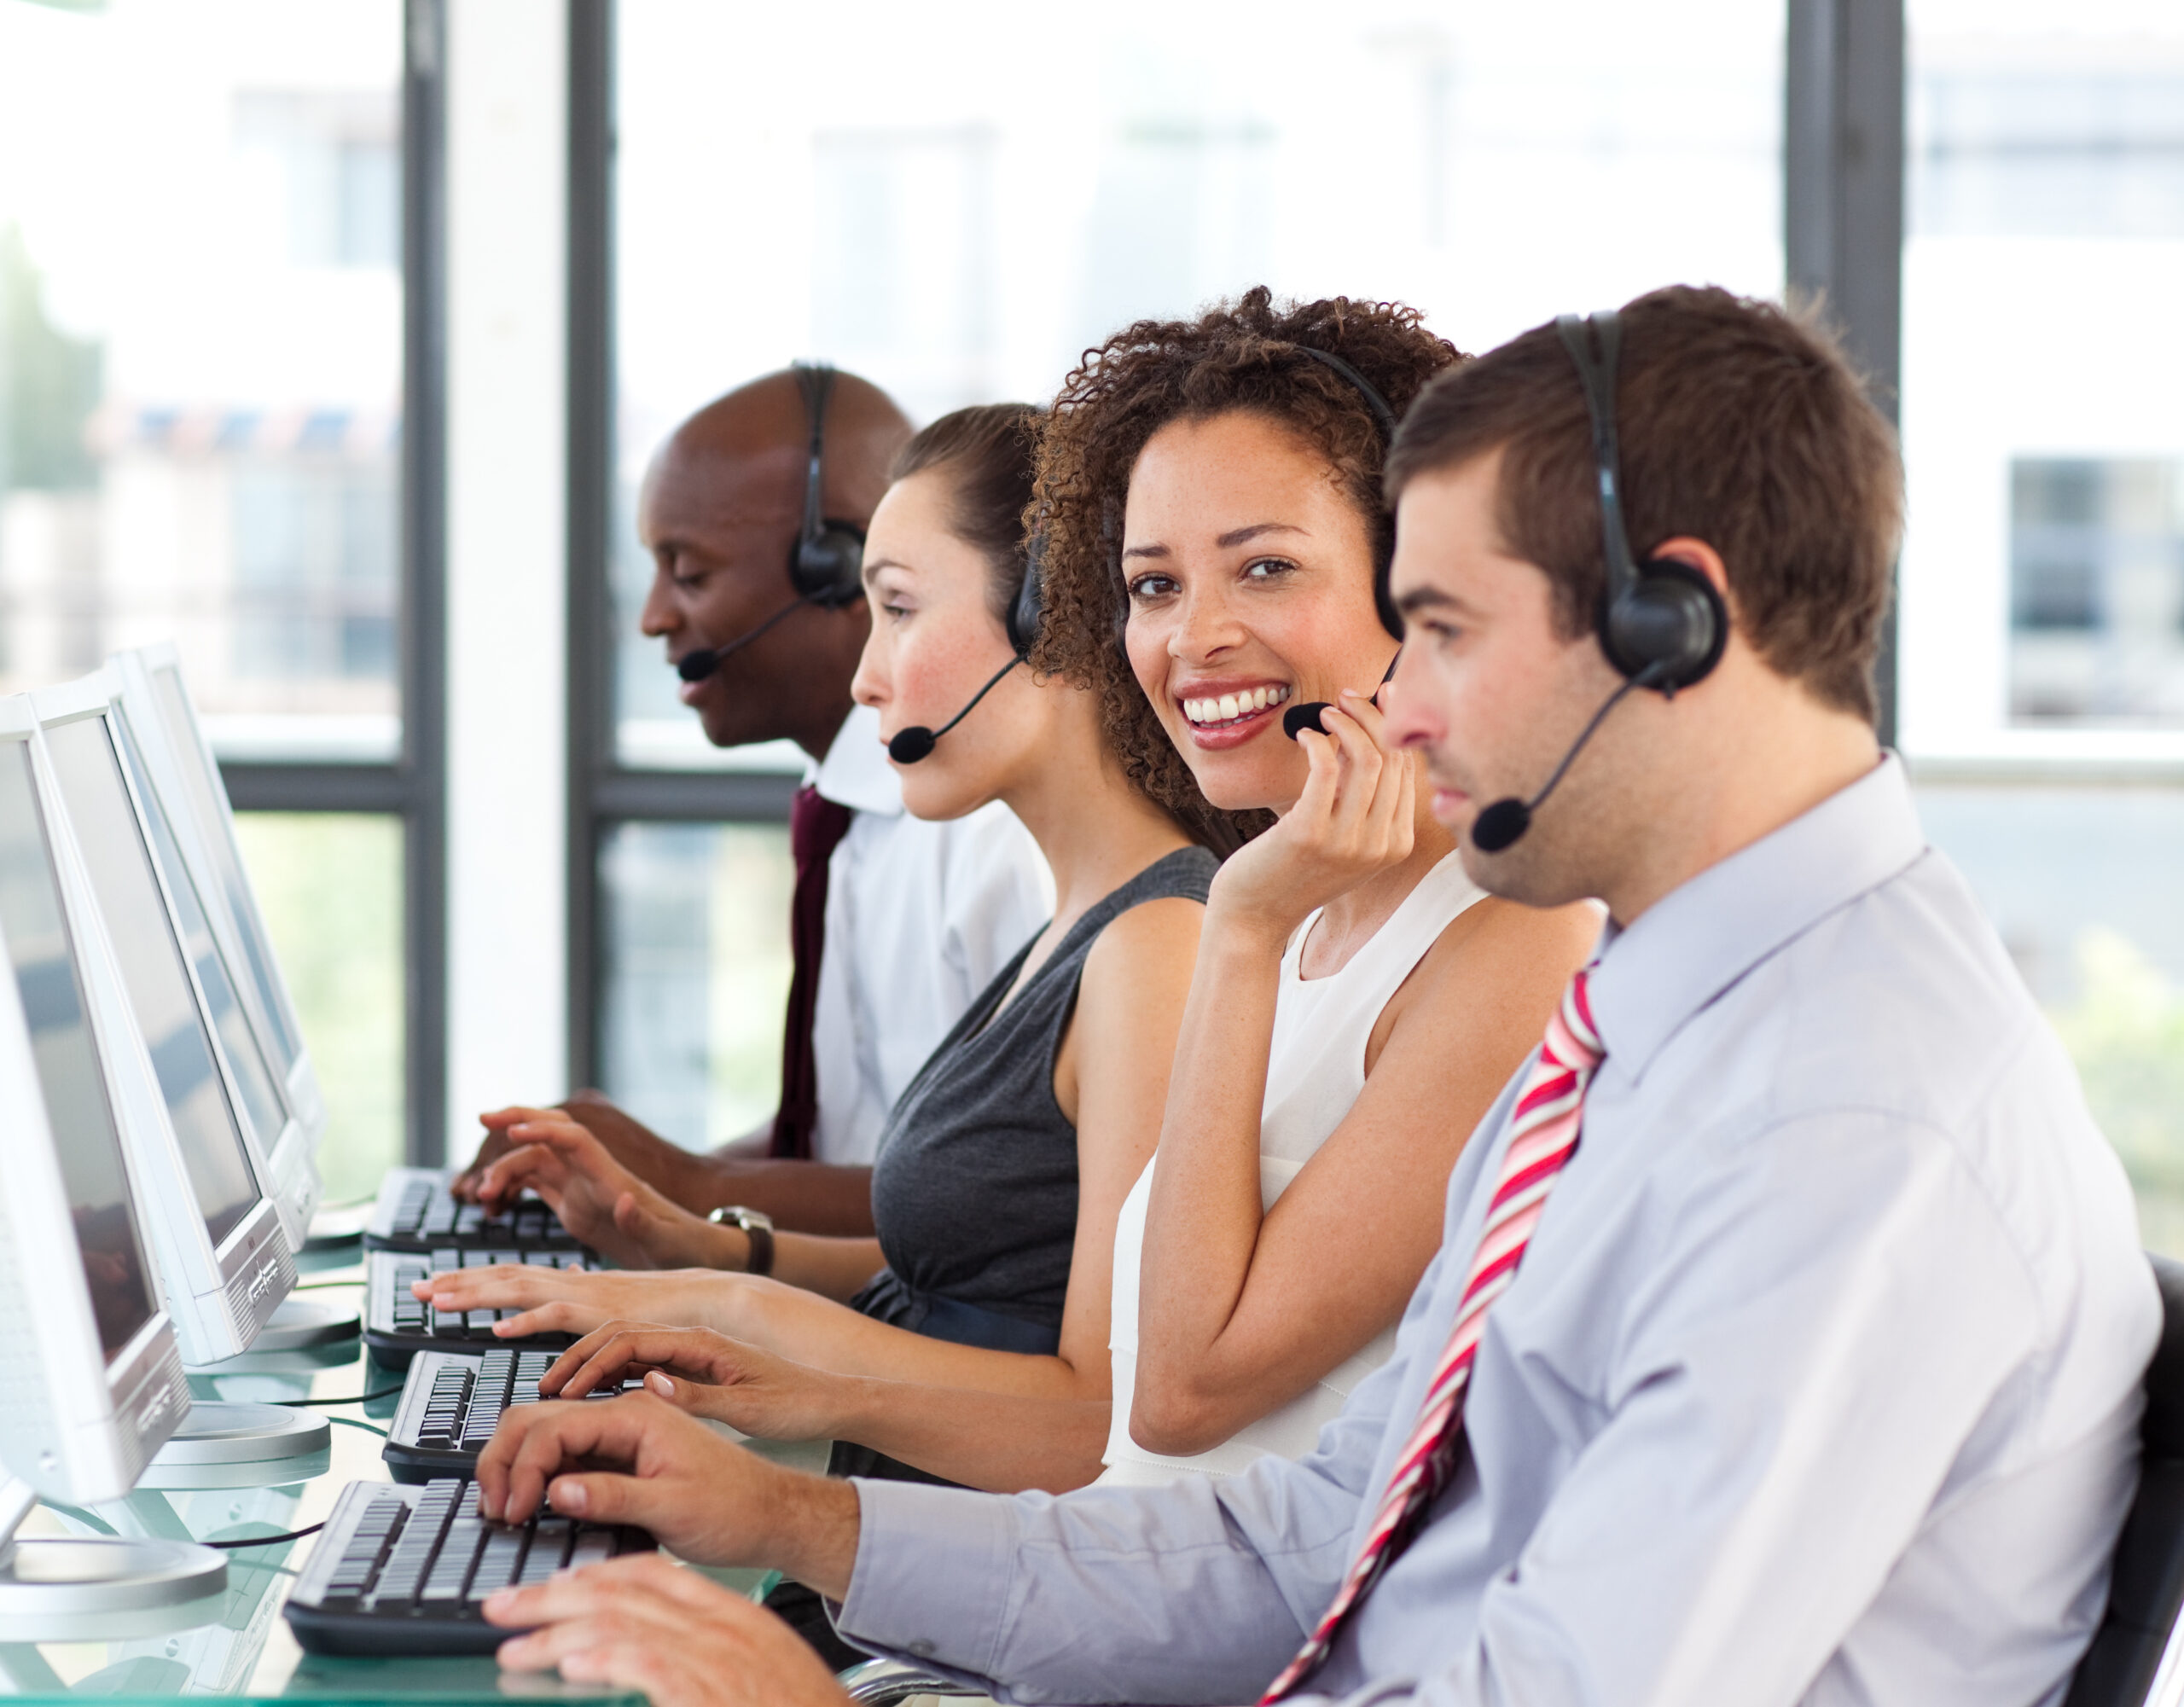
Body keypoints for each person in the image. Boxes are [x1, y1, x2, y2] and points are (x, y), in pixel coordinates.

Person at [460, 286, 2158, 1707]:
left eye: (1436, 626)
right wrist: (805, 1529)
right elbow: (1313, 1536)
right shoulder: (1652, 1027)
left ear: (1669, 625)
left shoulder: (1840, 1123)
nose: (1397, 709)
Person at [471, 294, 1591, 1501]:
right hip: (1128, 1588)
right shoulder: (1309, 905)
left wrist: (1245, 929)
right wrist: (712, 1291)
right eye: (1153, 587)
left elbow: (1165, 1399)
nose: (1194, 636)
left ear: (1416, 577)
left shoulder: (1497, 936)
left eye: (1265, 568)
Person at [418, 404, 1248, 1655]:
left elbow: (1100, 1414)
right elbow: (955, 1286)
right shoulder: (1080, 928)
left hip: (949, 1622)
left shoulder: (1154, 949)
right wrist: (668, 1248)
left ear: (1052, 625)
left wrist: (750, 1362)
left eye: (901, 610)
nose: (864, 677)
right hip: (883, 1574)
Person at [456, 367, 1050, 1235]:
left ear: (833, 569)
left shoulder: (996, 838)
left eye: (687, 573)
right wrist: (615, 1178)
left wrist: (688, 1185)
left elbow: (1003, 1209)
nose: (654, 618)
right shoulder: (850, 807)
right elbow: (847, 1140)